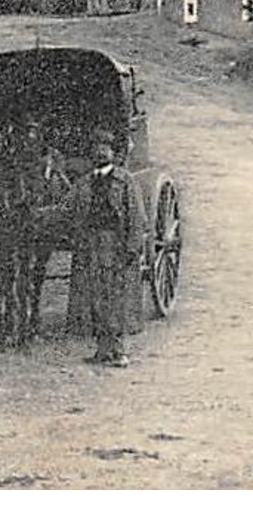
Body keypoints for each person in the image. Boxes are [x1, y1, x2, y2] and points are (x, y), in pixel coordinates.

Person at [73, 126, 145, 368]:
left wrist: (132, 249)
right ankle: (102, 350)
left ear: (113, 153)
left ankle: (119, 350)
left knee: (117, 298)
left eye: (106, 149)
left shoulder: (125, 181)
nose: (101, 153)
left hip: (116, 245)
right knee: (96, 297)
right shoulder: (84, 183)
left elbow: (136, 217)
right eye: (97, 148)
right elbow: (66, 210)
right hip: (92, 245)